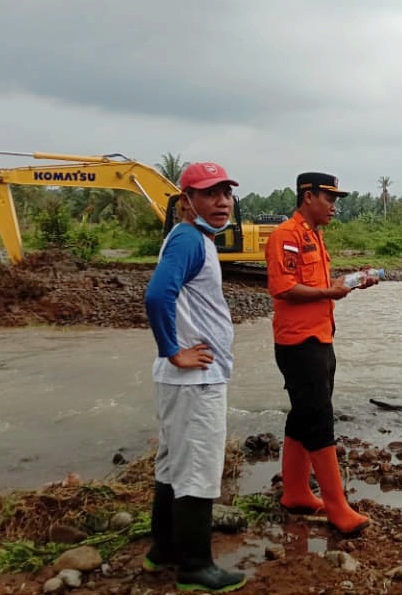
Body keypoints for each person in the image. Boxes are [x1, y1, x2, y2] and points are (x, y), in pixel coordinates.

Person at [142, 162, 247, 592]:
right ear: (187, 201)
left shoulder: (193, 238)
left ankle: (163, 550)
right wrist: (173, 350)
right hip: (194, 381)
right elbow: (156, 294)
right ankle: (195, 568)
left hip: (182, 382)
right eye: (209, 194)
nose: (221, 202)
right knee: (199, 471)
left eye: (226, 193)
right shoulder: (189, 238)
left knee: (171, 466)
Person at [265, 172, 376, 536]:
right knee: (319, 420)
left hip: (320, 337)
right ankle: (337, 508)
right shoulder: (287, 235)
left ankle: (296, 492)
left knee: (302, 415)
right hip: (299, 343)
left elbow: (316, 286)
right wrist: (330, 294)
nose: (333, 206)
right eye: (328, 198)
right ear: (308, 196)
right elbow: (284, 288)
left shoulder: (315, 236)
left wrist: (347, 283)